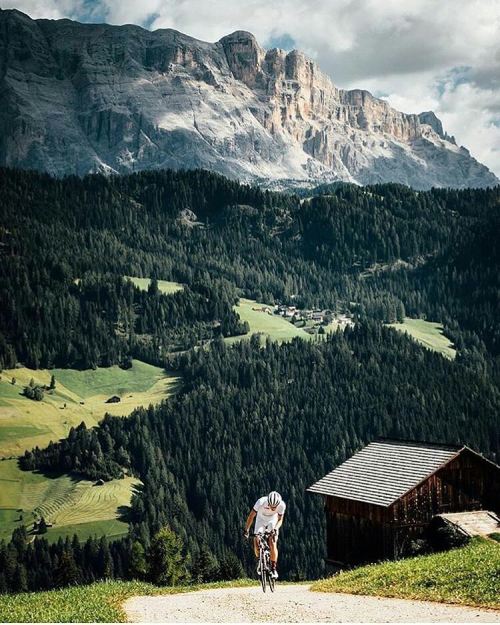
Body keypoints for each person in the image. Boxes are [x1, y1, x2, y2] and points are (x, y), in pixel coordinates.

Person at [244, 491, 286, 579]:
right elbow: (251, 516)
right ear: (268, 501)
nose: (273, 508)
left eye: (275, 507)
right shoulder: (261, 502)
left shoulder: (282, 505)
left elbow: (280, 520)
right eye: (271, 506)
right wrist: (246, 530)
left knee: (272, 542)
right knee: (256, 540)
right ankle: (260, 561)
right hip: (260, 520)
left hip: (273, 521)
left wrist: (275, 529)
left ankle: (274, 569)